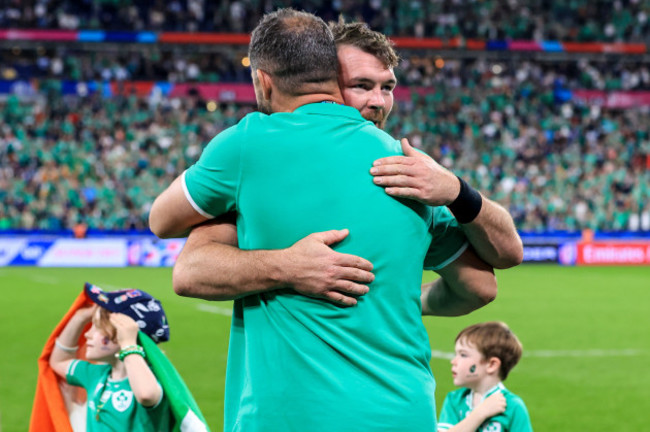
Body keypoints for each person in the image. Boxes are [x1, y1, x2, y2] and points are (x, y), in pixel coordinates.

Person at [149, 9, 494, 431]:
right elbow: (480, 286)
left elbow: (162, 222)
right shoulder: (413, 170)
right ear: (334, 77)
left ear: (263, 80)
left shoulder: (250, 143)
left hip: (289, 418)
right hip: (403, 413)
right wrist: (410, 298)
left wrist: (280, 262)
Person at [161, 19, 522, 317]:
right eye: (361, 86)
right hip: (403, 395)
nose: (378, 102)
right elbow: (479, 286)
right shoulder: (258, 150)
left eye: (388, 87)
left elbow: (500, 264)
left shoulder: (407, 173)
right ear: (326, 81)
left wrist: (459, 192)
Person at [49, 283, 172, 431]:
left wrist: (128, 344)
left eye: (97, 327)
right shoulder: (97, 375)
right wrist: (79, 318)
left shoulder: (151, 379)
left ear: (124, 333)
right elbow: (59, 361)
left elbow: (146, 395)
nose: (87, 334)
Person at [437, 322, 533, 432]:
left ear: (491, 365)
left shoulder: (513, 407)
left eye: (463, 355)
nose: (453, 361)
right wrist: (480, 413)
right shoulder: (454, 400)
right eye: (456, 354)